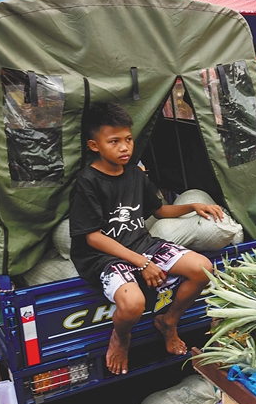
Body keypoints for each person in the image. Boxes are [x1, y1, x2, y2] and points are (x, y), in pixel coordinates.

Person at [69, 102, 223, 375]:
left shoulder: (134, 174)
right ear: (94, 145)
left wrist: (192, 206)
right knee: (133, 304)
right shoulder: (87, 181)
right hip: (103, 256)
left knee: (202, 268)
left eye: (128, 139)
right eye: (114, 141)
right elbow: (93, 238)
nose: (124, 147)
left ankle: (168, 321)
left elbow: (159, 210)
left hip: (142, 245)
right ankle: (121, 338)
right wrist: (141, 262)